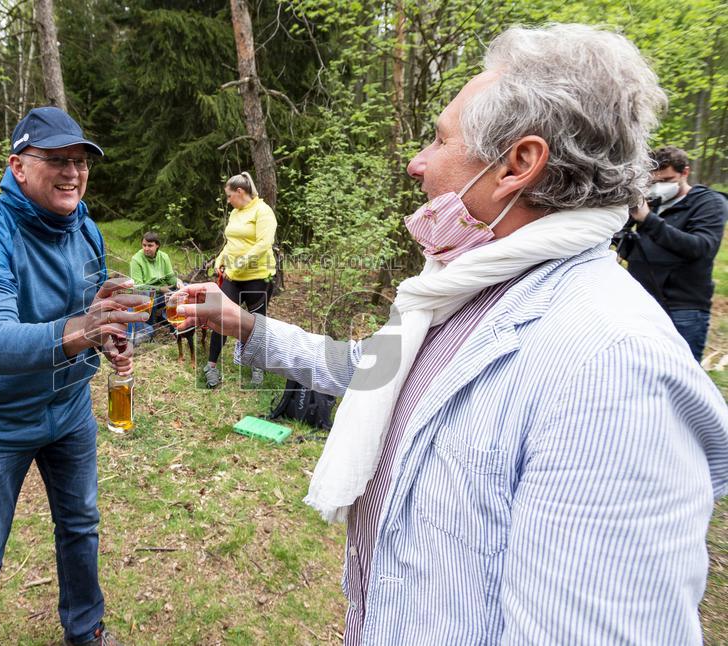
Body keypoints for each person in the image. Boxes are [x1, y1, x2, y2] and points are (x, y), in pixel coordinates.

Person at [176, 24, 728, 644]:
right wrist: (240, 321)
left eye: (438, 140)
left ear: (518, 164)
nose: (417, 164)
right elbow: (366, 370)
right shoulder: (457, 287)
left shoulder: (614, 367)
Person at [0, 106, 146, 646]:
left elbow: (89, 306)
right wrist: (82, 327)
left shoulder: (86, 229)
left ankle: (85, 631)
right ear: (18, 166)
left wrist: (106, 334)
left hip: (69, 412)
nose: (74, 172)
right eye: (57, 159)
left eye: (80, 161)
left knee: (81, 527)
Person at [619, 147, 728, 361]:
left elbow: (700, 247)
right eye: (653, 181)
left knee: (683, 372)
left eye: (668, 179)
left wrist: (648, 220)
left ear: (685, 172)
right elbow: (632, 242)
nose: (660, 185)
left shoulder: (708, 203)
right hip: (642, 302)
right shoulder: (649, 202)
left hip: (683, 307)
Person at [204, 171, 276, 388]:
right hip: (232, 277)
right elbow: (231, 241)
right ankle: (211, 366)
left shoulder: (263, 211)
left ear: (240, 191)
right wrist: (220, 259)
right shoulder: (236, 213)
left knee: (255, 324)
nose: (228, 201)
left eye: (229, 196)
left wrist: (236, 266)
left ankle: (257, 367)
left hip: (256, 277)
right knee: (220, 317)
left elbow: (263, 244)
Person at [128, 231, 182, 327]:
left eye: (150, 245)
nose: (146, 248)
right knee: (151, 299)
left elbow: (170, 278)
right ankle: (149, 329)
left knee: (183, 290)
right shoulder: (136, 259)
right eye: (144, 245)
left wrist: (177, 281)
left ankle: (176, 323)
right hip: (146, 294)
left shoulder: (164, 257)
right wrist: (159, 289)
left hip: (162, 292)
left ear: (157, 245)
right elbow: (138, 286)